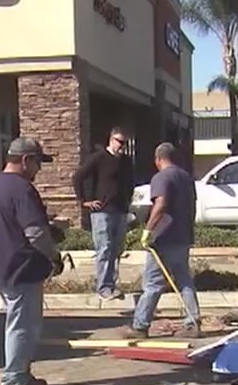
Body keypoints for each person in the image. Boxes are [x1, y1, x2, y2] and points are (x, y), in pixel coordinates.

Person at [0, 137, 61, 385]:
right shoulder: (21, 188)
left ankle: (22, 373)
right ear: (26, 160)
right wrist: (54, 255)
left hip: (5, 264)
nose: (38, 170)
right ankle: (14, 379)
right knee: (23, 326)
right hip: (23, 267)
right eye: (37, 163)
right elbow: (35, 233)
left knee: (21, 323)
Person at [126, 142, 200, 339]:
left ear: (158, 159)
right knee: (184, 281)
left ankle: (140, 326)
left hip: (164, 238)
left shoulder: (161, 177)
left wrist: (148, 231)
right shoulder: (186, 177)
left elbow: (160, 204)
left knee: (152, 284)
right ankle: (192, 322)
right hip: (183, 237)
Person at [72, 127, 134, 300]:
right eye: (119, 142)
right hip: (102, 212)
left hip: (120, 210)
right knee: (104, 248)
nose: (121, 146)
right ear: (111, 139)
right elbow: (78, 177)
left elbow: (130, 182)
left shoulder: (126, 161)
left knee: (117, 249)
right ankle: (103, 287)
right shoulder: (99, 158)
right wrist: (84, 201)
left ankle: (111, 284)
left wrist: (128, 200)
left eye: (125, 143)